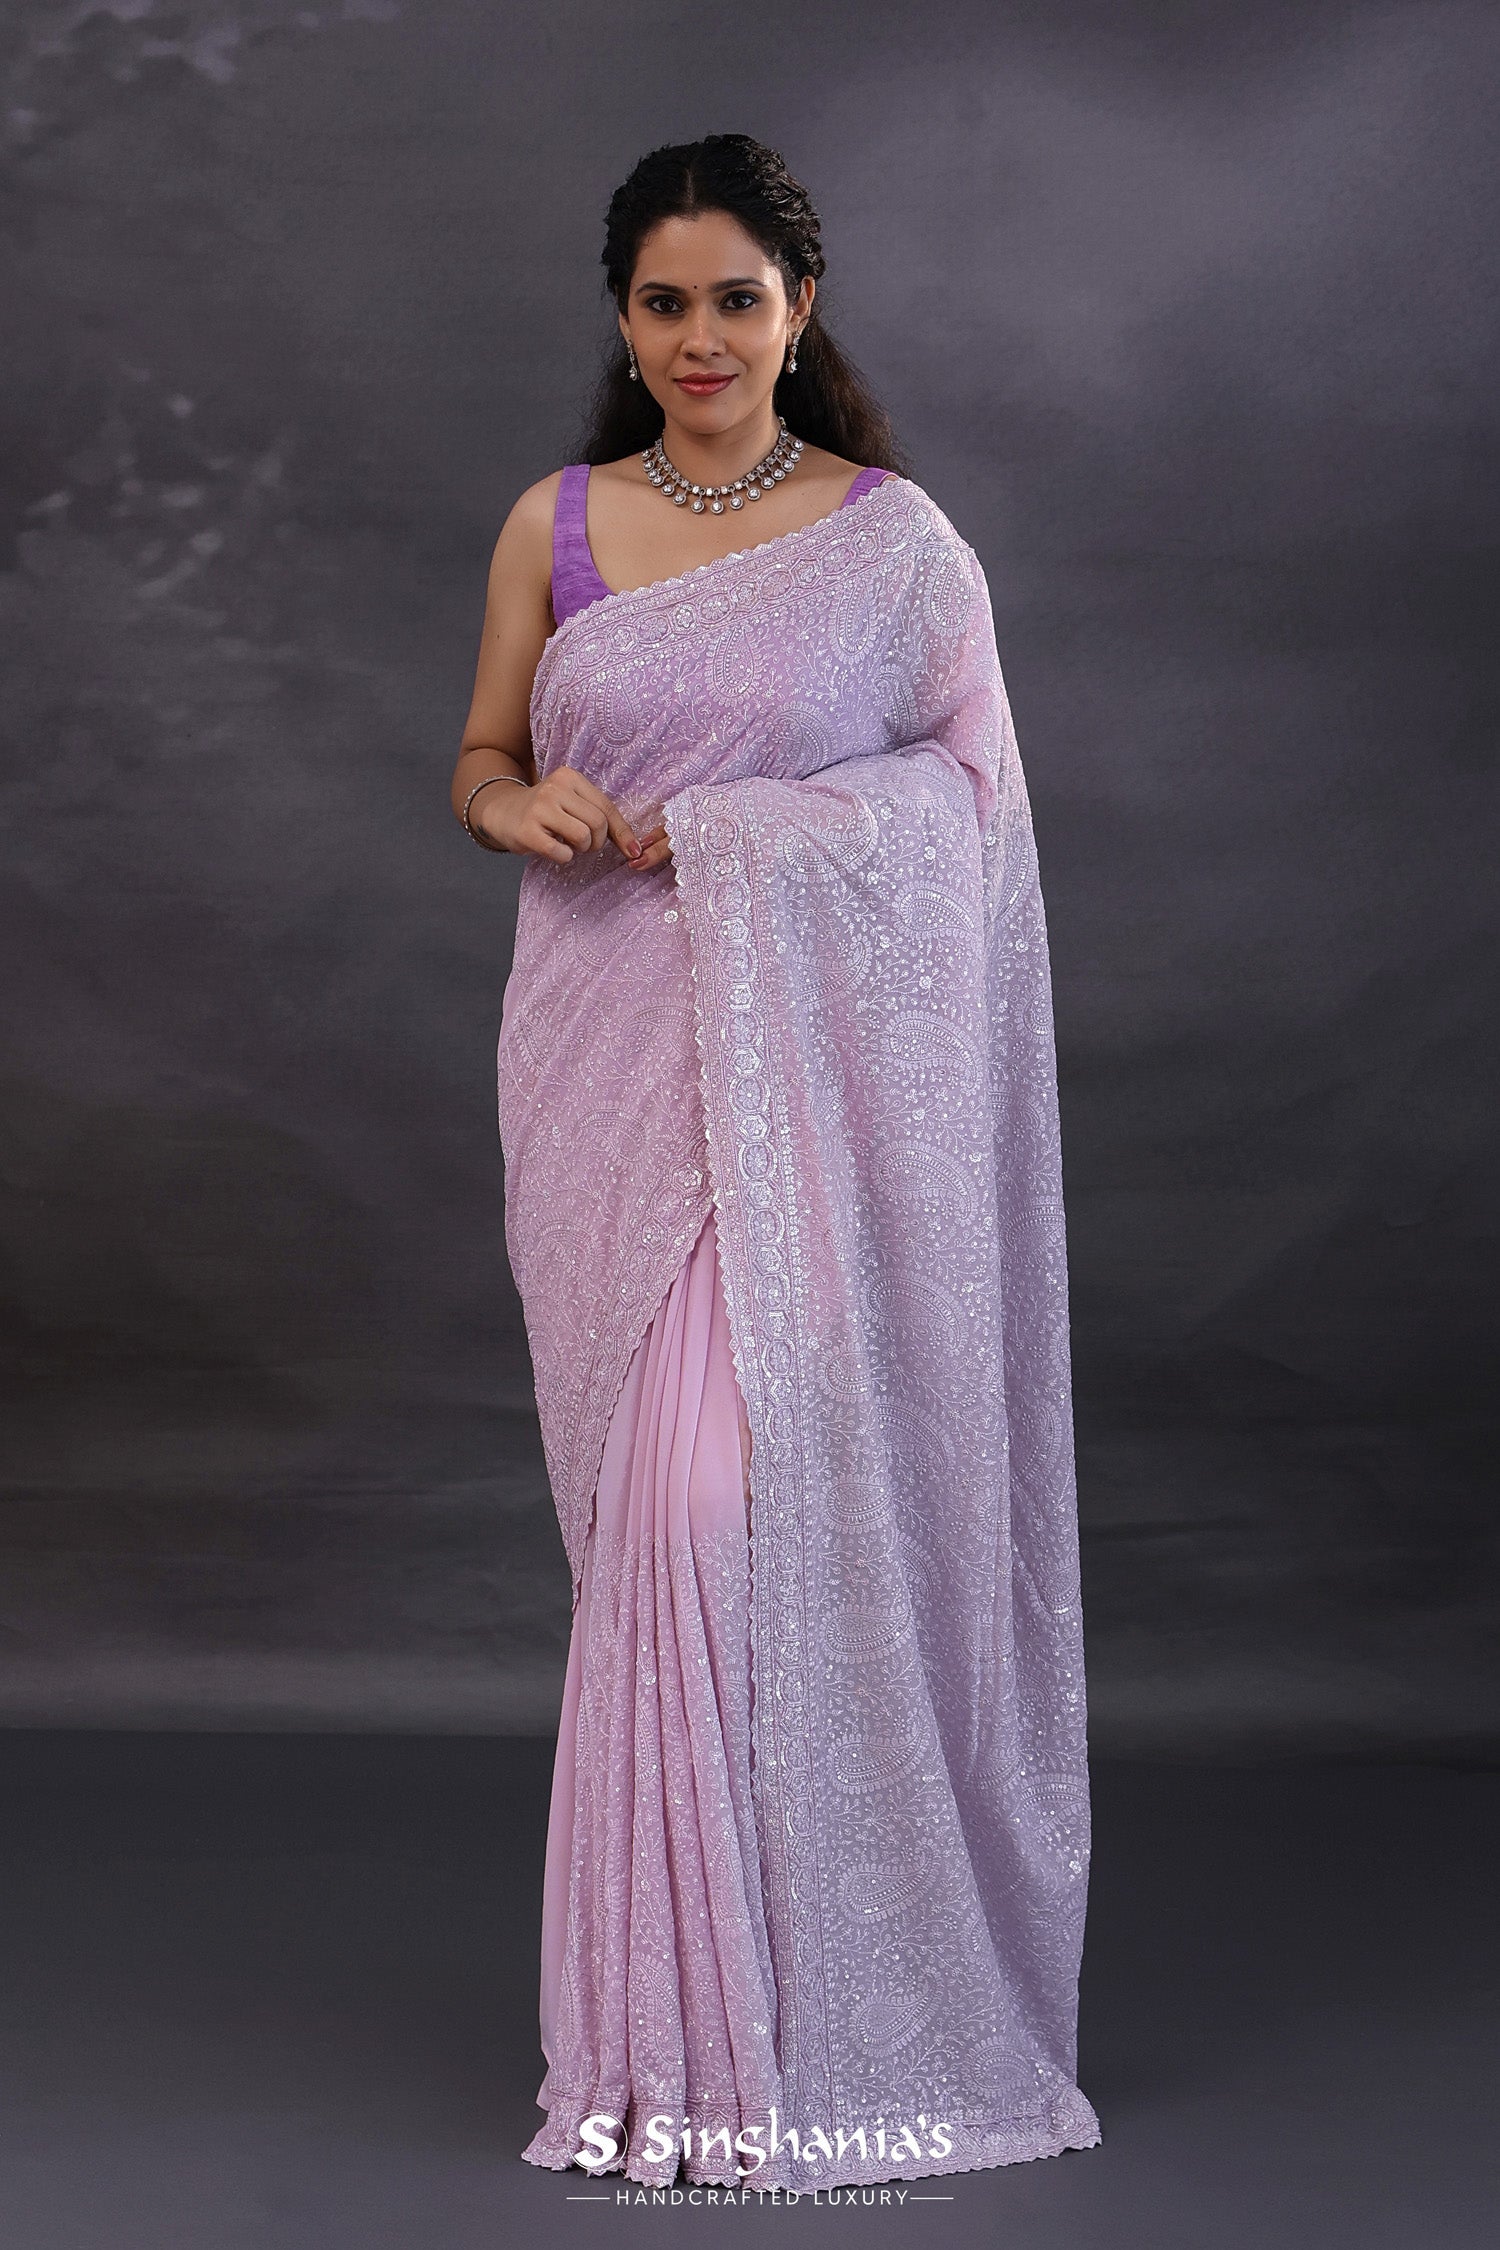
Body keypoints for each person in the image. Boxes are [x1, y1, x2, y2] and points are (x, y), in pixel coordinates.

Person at [450, 133, 1101, 2193]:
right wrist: (519, 808)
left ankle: (786, 2005)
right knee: (645, 1531)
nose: (702, 338)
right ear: (622, 318)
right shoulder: (554, 524)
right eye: (665, 302)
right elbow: (479, 757)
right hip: (601, 1058)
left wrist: (736, 837)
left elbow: (970, 808)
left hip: (811, 1093)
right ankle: (662, 2044)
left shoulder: (894, 545)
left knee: (729, 1508)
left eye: (738, 299)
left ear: (800, 310)